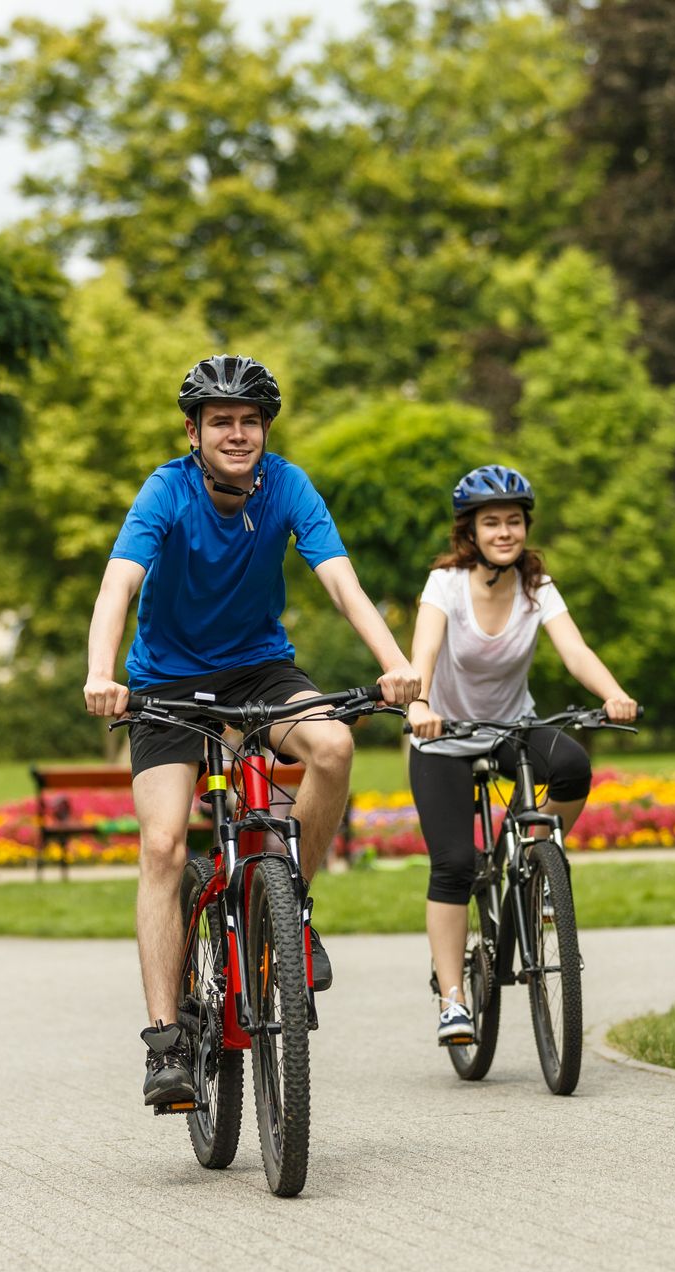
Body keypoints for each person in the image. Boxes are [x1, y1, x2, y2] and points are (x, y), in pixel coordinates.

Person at [84, 355, 420, 1105]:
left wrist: (397, 667)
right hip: (168, 684)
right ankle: (165, 1044)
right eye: (220, 422)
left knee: (332, 744)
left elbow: (341, 581)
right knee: (165, 843)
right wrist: (100, 673)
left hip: (259, 671)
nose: (236, 434)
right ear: (193, 431)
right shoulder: (164, 491)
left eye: (249, 421)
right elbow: (119, 582)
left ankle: (291, 910)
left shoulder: (288, 487)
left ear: (264, 429)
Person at [405, 466, 639, 1046]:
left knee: (573, 765)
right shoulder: (446, 585)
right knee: (455, 864)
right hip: (444, 737)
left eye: (513, 521)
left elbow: (575, 649)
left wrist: (610, 693)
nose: (504, 531)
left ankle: (538, 859)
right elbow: (425, 650)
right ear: (471, 531)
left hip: (513, 729)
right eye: (492, 522)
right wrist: (419, 703)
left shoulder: (538, 585)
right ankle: (453, 998)